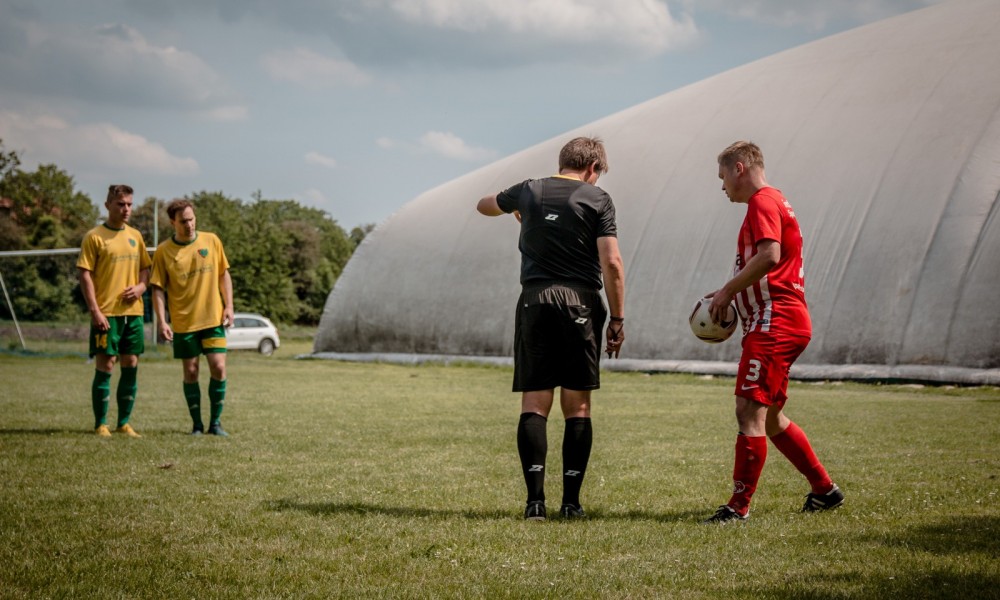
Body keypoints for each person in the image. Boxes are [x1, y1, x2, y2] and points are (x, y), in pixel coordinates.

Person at [477, 136, 626, 521]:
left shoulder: (529, 189)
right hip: (580, 302)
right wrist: (618, 317)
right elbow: (611, 262)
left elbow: (483, 205)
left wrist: (517, 212)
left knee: (534, 403)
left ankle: (535, 504)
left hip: (535, 300)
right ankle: (572, 504)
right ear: (592, 169)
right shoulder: (597, 199)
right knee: (577, 405)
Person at [702, 141, 843, 524]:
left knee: (748, 408)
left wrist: (730, 289)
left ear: (739, 168)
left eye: (722, 177)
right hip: (781, 318)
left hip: (775, 319)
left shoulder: (763, 201)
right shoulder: (774, 201)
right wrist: (730, 290)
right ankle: (824, 490)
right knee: (772, 416)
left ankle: (737, 507)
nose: (722, 187)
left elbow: (770, 256)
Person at [150, 199, 234, 436]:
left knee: (218, 368)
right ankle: (197, 425)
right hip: (184, 322)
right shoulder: (164, 251)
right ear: (172, 223)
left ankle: (215, 424)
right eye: (183, 221)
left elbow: (223, 274)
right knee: (191, 372)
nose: (189, 224)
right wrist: (162, 321)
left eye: (191, 219)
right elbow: (157, 288)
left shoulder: (212, 240)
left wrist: (229, 306)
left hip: (213, 319)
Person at [77, 184, 151, 438]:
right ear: (107, 205)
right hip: (106, 313)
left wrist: (141, 287)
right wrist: (95, 311)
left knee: (130, 363)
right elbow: (84, 274)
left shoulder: (136, 236)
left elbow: (145, 269)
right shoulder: (95, 236)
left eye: (129, 204)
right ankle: (101, 423)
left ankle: (124, 423)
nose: (126, 209)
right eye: (121, 204)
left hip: (134, 314)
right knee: (106, 364)